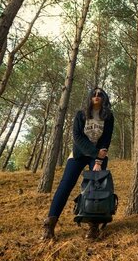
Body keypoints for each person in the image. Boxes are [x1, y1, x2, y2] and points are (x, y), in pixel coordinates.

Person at [42, 87, 114, 240]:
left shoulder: (108, 116)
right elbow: (77, 137)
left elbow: (106, 139)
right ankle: (50, 224)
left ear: (104, 98)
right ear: (89, 97)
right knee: (66, 184)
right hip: (78, 154)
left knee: (95, 190)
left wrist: (98, 161)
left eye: (100, 94)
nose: (96, 96)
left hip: (98, 157)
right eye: (93, 94)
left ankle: (93, 227)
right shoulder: (80, 114)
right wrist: (95, 154)